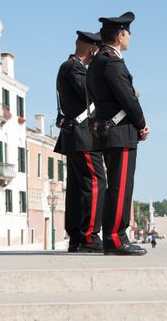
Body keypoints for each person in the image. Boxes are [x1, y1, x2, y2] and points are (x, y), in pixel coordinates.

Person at [86, 12, 150, 256]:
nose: (130, 38)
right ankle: (115, 238)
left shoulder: (98, 60)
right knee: (121, 187)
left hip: (108, 130)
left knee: (116, 186)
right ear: (120, 35)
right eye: (128, 33)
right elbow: (128, 99)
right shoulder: (112, 61)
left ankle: (115, 236)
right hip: (120, 132)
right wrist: (142, 124)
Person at [54, 31, 106, 253]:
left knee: (77, 188)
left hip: (76, 135)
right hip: (82, 136)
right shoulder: (74, 67)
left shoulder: (70, 66)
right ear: (92, 49)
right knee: (96, 182)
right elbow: (90, 93)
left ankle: (77, 237)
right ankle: (89, 236)